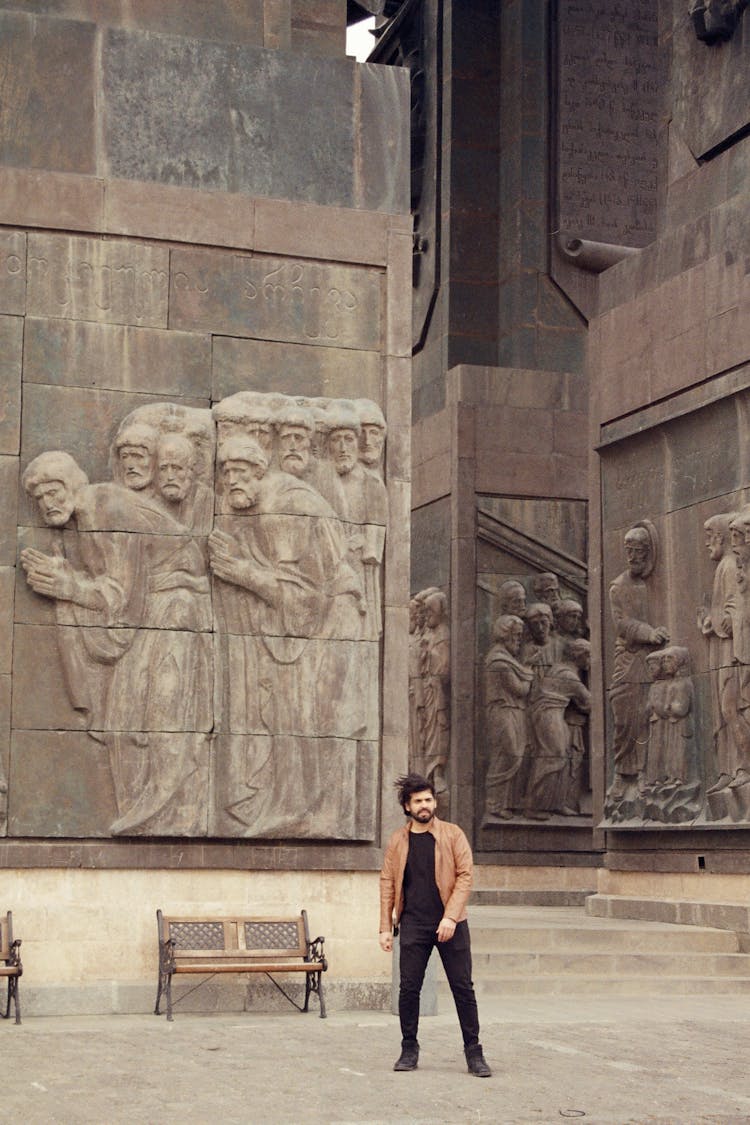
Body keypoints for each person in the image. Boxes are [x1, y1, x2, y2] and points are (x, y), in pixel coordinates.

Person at [379, 773, 491, 1077]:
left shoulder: (453, 834)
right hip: (413, 923)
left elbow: (466, 876)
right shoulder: (397, 840)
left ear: (434, 802)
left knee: (462, 988)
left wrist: (450, 916)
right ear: (407, 806)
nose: (424, 805)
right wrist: (384, 927)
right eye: (418, 801)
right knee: (409, 988)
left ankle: (474, 1053)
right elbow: (387, 882)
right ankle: (408, 1049)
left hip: (450, 923)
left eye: (428, 799)